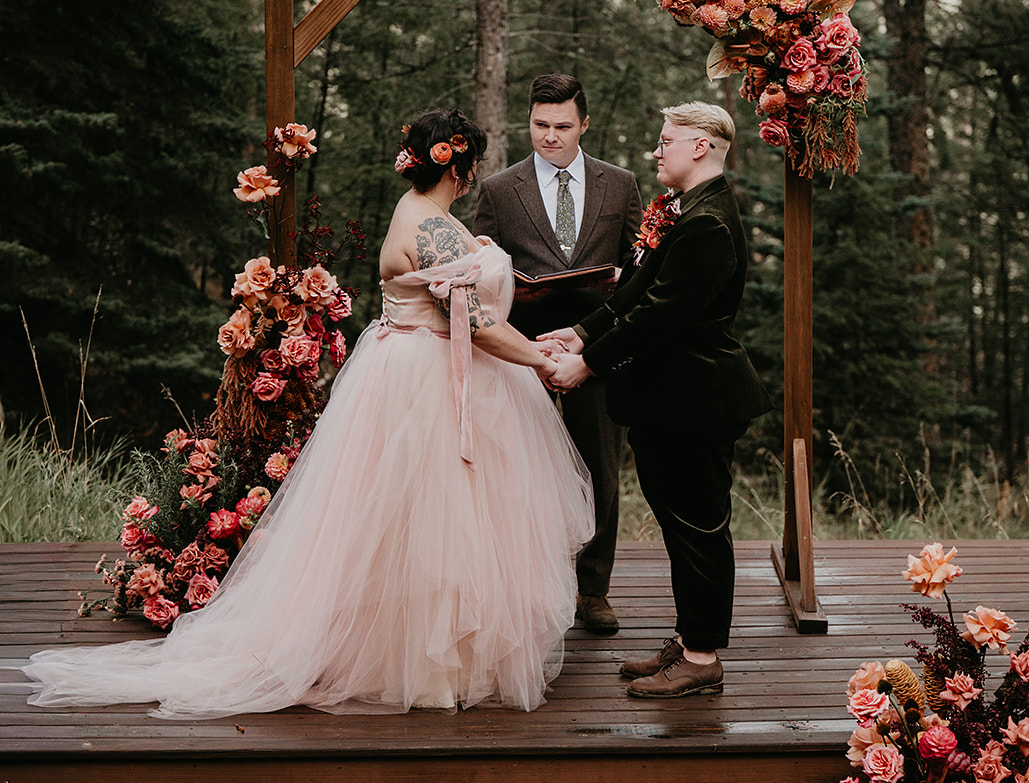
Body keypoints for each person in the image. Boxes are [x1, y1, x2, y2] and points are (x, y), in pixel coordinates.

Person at [22, 109, 594, 719]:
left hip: (401, 368)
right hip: (430, 379)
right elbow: (475, 324)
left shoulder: (418, 215)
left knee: (400, 520)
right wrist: (538, 358)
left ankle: (414, 651)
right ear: (462, 164)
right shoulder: (437, 231)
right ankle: (423, 662)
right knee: (434, 520)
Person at [544, 101, 772, 698]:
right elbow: (637, 290)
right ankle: (689, 636)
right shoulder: (680, 210)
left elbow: (661, 317)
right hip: (665, 401)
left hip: (695, 400)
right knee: (678, 527)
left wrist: (586, 366)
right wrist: (582, 332)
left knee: (698, 529)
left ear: (700, 147)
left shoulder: (708, 222)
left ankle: (701, 658)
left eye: (666, 140)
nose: (656, 149)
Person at [473, 74, 643, 636]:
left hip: (597, 350)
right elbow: (480, 272)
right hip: (522, 354)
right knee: (524, 473)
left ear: (585, 124)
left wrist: (617, 290)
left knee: (599, 469)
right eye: (540, 125)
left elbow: (641, 270)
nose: (549, 136)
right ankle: (533, 585)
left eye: (562, 126)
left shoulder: (620, 185)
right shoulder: (500, 189)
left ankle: (593, 591)